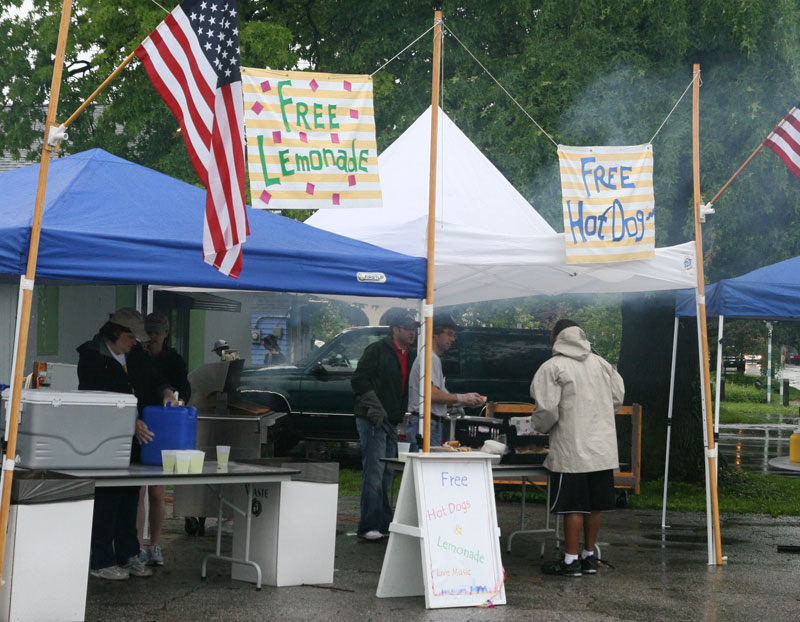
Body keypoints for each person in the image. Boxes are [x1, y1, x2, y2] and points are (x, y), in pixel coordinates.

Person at [77, 308, 177, 581]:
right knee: (108, 498)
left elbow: (154, 379)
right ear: (116, 333)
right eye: (132, 337)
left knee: (130, 496)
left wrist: (166, 391)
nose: (136, 342)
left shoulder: (135, 355)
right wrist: (128, 423)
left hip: (136, 438)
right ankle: (100, 559)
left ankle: (128, 553)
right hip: (104, 439)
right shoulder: (92, 356)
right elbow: (95, 399)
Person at [529, 319, 625, 577]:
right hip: (602, 447)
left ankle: (570, 561)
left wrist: (537, 426)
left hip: (572, 447)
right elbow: (617, 398)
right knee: (594, 506)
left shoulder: (553, 367)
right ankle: (588, 557)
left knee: (574, 505)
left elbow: (547, 409)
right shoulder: (602, 364)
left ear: (555, 338)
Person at [351, 310, 418, 541]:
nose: (413, 332)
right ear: (395, 329)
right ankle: (368, 525)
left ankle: (384, 523)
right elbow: (359, 380)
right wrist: (375, 407)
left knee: (388, 473)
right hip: (372, 419)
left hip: (392, 420)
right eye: (408, 328)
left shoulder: (411, 355)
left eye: (414, 328)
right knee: (375, 472)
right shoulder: (377, 350)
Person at [136, 312, 192, 567]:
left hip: (163, 425)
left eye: (158, 331)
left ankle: (155, 543)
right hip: (137, 420)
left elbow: (185, 390)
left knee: (158, 491)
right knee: (137, 488)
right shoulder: (136, 355)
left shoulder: (174, 359)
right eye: (150, 331)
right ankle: (137, 544)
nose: (153, 335)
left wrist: (177, 401)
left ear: (166, 334)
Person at [406, 313, 484, 451]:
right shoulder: (429, 357)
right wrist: (463, 398)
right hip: (425, 423)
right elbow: (432, 394)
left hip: (430, 423)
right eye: (449, 334)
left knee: (427, 470)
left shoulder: (433, 358)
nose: (452, 339)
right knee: (428, 470)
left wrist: (463, 402)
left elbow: (438, 397)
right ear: (434, 334)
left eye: (453, 335)